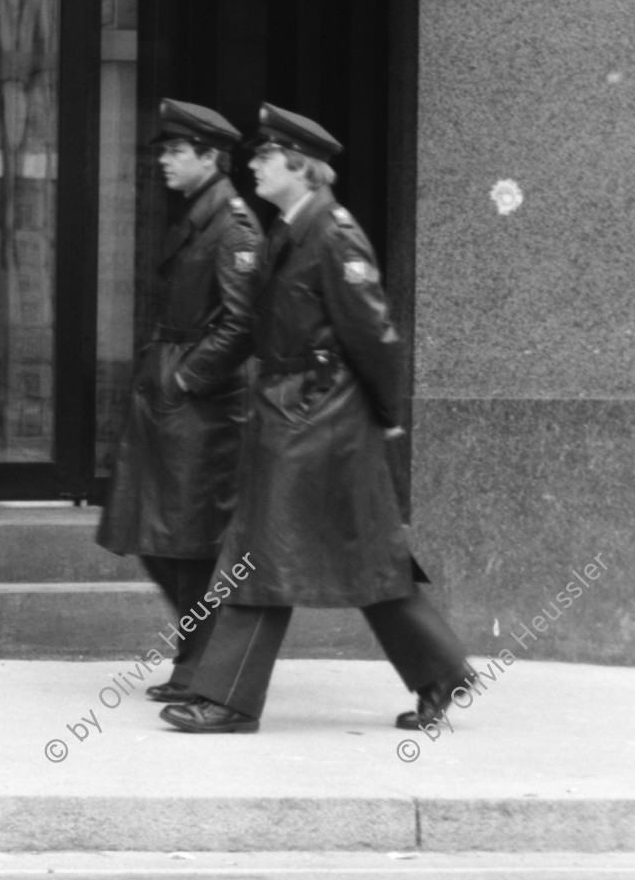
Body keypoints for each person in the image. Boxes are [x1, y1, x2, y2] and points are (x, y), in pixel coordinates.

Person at [160, 103, 472, 735]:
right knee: (367, 557)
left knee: (258, 550)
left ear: (299, 167)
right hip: (300, 411)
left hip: (319, 415)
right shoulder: (291, 228)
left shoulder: (333, 232)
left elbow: (376, 337)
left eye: (265, 157)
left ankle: (227, 700)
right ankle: (441, 671)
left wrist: (386, 415)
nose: (252, 164)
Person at [97, 98, 263, 700]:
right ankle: (195, 658)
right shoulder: (201, 214)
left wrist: (185, 380)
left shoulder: (233, 225)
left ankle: (201, 666)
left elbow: (241, 325)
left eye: (175, 151)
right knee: (156, 536)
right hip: (172, 397)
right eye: (163, 150)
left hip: (202, 404)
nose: (164, 161)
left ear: (211, 158)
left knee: (189, 545)